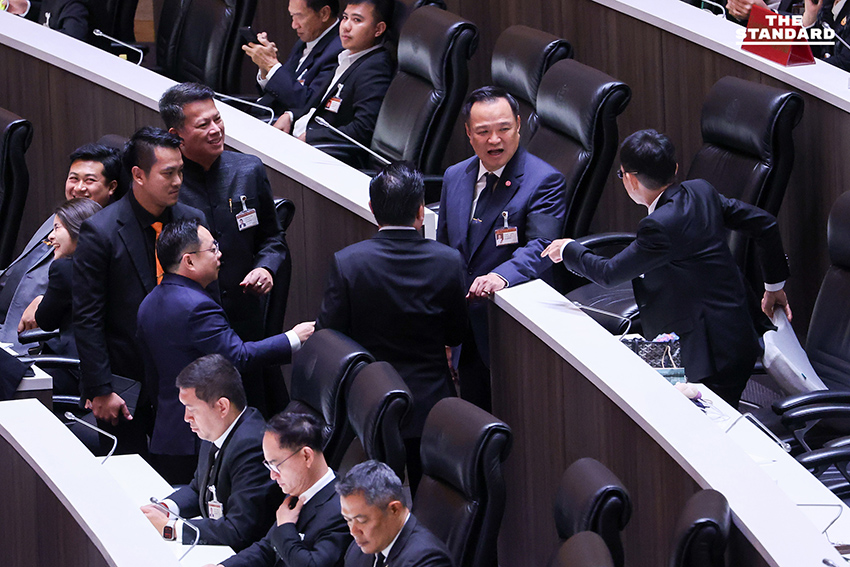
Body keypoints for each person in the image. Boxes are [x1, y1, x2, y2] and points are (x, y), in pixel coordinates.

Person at [541, 129, 791, 407]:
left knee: (700, 430)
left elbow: (609, 273)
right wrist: (774, 288)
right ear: (674, 168)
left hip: (710, 354)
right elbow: (765, 223)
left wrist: (568, 249)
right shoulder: (701, 190)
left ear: (630, 179)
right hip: (735, 333)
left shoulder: (659, 225)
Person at [316, 162, 467, 492]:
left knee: (379, 498)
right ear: (420, 210)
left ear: (373, 210)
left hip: (370, 403)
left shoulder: (348, 262)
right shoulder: (448, 261)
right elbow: (457, 333)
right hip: (431, 406)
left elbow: (330, 336)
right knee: (431, 500)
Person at [137, 218, 314, 483]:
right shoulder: (198, 307)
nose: (220, 254)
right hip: (200, 436)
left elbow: (152, 375)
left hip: (166, 433)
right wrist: (292, 338)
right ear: (189, 261)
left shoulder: (148, 303)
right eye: (213, 249)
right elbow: (237, 356)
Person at [73, 127, 205, 455]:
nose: (178, 181)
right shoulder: (101, 232)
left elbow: (207, 299)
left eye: (180, 172)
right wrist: (100, 388)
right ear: (139, 175)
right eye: (168, 173)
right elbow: (88, 318)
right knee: (126, 474)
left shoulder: (193, 222)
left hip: (184, 381)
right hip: (125, 381)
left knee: (183, 481)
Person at [159, 82, 288, 412]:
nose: (216, 130)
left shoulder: (248, 169)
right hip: (192, 327)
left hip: (246, 321)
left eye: (218, 119)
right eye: (203, 124)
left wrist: (265, 266)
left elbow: (273, 238)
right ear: (177, 135)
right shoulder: (167, 185)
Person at [436, 86, 567, 412]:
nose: (495, 140)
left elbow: (541, 244)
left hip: (513, 328)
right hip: (466, 329)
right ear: (468, 133)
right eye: (483, 132)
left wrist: (501, 276)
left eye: (504, 129)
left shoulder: (544, 181)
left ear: (519, 125)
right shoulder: (455, 176)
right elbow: (444, 253)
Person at [141, 355, 283, 551]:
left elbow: (239, 530)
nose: (186, 418)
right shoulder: (216, 430)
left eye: (192, 409)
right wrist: (165, 509)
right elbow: (198, 489)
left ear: (222, 407)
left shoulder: (253, 447)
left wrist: (171, 528)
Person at [0, 143, 120, 353]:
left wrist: (44, 302)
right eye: (74, 178)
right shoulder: (58, 218)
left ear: (111, 187)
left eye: (90, 180)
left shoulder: (109, 237)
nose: (79, 188)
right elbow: (20, 270)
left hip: (30, 343)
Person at [209, 407, 352, 567]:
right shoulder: (296, 491)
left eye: (276, 466)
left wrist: (285, 527)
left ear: (306, 456)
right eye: (269, 466)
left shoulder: (343, 510)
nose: (273, 476)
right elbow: (267, 549)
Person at [276, 0, 394, 166]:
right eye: (345, 17)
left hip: (326, 156)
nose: (346, 26)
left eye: (357, 20)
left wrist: (311, 138)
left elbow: (363, 129)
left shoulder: (375, 67)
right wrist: (291, 115)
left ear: (378, 29)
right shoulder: (347, 56)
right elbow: (316, 100)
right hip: (302, 142)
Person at [23, 198, 102, 394]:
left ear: (78, 229)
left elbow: (45, 321)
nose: (50, 236)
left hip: (75, 371)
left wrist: (40, 301)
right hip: (110, 371)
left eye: (57, 228)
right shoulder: (113, 261)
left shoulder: (65, 268)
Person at [336, 460, 452, 567]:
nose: (353, 532)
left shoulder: (429, 561)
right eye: (348, 520)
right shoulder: (357, 552)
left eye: (362, 521)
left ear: (394, 509)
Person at [243, 0, 343, 117]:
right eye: (292, 16)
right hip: (263, 113)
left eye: (299, 16)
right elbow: (280, 90)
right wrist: (265, 68)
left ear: (324, 13)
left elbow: (306, 104)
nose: (294, 25)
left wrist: (271, 65)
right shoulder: (307, 39)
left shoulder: (338, 50)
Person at [803, 0, 850, 72]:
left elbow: (845, 61)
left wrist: (806, 67)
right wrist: (809, 20)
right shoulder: (825, 5)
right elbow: (817, 51)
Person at [4, 0, 89, 40]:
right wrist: (26, 8)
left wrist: (30, 34)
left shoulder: (76, 6)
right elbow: (51, 15)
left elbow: (72, 39)